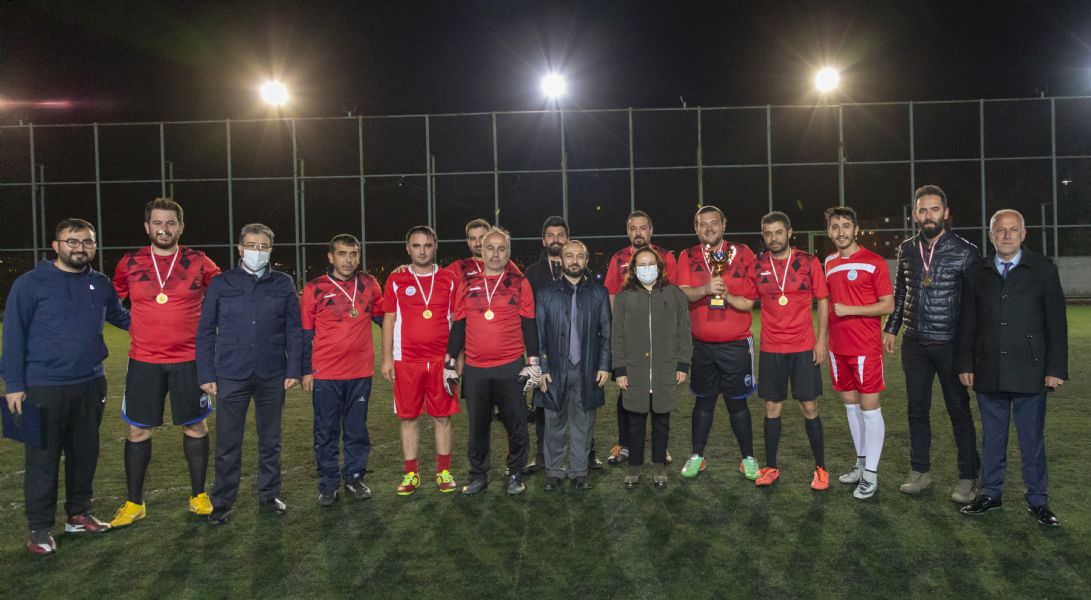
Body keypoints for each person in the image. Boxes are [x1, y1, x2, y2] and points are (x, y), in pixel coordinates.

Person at [2, 218, 130, 555]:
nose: (80, 248)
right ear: (56, 246)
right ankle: (39, 529)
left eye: (87, 242)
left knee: (84, 454)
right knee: (42, 459)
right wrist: (13, 384)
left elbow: (121, 317)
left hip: (90, 383)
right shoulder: (30, 283)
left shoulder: (100, 283)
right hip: (43, 387)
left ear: (94, 246)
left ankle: (78, 514)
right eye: (72, 241)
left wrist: (169, 325)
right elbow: (13, 333)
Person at [109, 198, 222, 529]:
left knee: (195, 426)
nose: (164, 228)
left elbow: (222, 297)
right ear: (147, 227)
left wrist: (208, 329)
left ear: (181, 227)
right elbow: (111, 301)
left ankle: (199, 496)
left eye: (171, 223)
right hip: (143, 361)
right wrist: (133, 324)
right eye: (157, 223)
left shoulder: (199, 261)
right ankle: (134, 503)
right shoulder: (130, 262)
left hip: (190, 360)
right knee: (137, 429)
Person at [957, 209, 1067, 527]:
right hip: (988, 368)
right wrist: (965, 362)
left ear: (1023, 233)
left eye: (1013, 229)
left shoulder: (1043, 269)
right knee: (992, 438)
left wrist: (1055, 368)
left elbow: (1056, 323)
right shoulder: (976, 271)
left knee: (1031, 439)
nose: (1006, 235)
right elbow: (967, 321)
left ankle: (1038, 500)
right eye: (1000, 230)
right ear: (991, 235)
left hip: (1030, 369)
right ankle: (991, 493)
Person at [196, 223, 302, 524]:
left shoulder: (283, 283)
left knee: (271, 441)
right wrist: (206, 373)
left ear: (270, 250)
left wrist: (294, 368)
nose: (258, 251)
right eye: (252, 245)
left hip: (272, 373)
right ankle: (222, 502)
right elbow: (205, 330)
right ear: (240, 248)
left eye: (264, 246)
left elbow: (294, 329)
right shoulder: (222, 283)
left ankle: (269, 494)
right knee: (228, 443)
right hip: (231, 373)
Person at [882, 185, 980, 503]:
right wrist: (892, 328)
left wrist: (969, 352)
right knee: (916, 410)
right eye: (922, 210)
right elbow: (901, 292)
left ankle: (968, 477)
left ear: (945, 213)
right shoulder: (907, 249)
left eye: (934, 209)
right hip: (915, 343)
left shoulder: (966, 252)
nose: (928, 215)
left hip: (950, 344)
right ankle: (920, 471)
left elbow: (974, 307)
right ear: (915, 214)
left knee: (959, 411)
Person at [444, 227, 542, 496]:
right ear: (482, 251)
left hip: (510, 366)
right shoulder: (467, 284)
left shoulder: (519, 283)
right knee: (477, 426)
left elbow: (529, 325)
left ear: (508, 252)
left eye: (501, 249)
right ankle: (478, 475)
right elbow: (459, 326)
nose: (495, 254)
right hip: (475, 369)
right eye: (490, 248)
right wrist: (449, 362)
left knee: (516, 424)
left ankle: (516, 472)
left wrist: (533, 361)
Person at [675, 206, 760, 481]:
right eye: (703, 224)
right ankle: (697, 456)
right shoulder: (687, 255)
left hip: (736, 345)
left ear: (724, 225)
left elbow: (750, 299)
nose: (709, 228)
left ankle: (748, 458)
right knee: (703, 403)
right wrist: (706, 289)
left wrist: (726, 293)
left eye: (714, 223)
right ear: (696, 228)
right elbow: (682, 294)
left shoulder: (743, 252)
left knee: (738, 405)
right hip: (701, 345)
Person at [301, 234, 383, 506]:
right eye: (342, 253)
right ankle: (328, 484)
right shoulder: (315, 288)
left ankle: (355, 477)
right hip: (325, 374)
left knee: (356, 430)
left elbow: (384, 318)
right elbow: (305, 333)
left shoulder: (369, 284)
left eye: (353, 254)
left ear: (358, 256)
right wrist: (306, 370)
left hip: (360, 372)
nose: (348, 260)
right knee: (326, 431)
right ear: (331, 257)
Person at [752, 211, 830, 490]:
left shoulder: (808, 262)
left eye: (778, 232)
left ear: (789, 232)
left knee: (809, 406)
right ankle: (771, 467)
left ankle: (821, 469)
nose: (773, 238)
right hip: (771, 347)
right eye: (768, 233)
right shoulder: (758, 265)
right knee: (772, 407)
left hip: (803, 346)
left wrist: (821, 341)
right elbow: (745, 299)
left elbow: (823, 300)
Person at [380, 226, 460, 496]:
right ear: (408, 248)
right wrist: (387, 358)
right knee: (408, 418)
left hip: (441, 361)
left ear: (435, 246)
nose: (422, 251)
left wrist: (456, 359)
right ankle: (411, 474)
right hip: (407, 361)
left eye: (427, 245)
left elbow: (457, 321)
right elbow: (389, 319)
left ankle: (444, 471)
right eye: (416, 245)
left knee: (443, 417)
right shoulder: (396, 279)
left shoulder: (449, 279)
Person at [823, 206, 894, 500]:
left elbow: (888, 304)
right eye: (835, 226)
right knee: (851, 407)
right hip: (837, 347)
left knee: (870, 408)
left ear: (856, 229)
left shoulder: (874, 262)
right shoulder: (828, 262)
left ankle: (871, 474)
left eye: (846, 226)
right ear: (829, 231)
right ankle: (861, 463)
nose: (840, 232)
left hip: (864, 346)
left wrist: (851, 309)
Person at [602, 210, 678, 467]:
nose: (638, 232)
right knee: (626, 392)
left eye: (643, 227)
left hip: (658, 339)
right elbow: (612, 297)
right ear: (628, 231)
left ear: (651, 230)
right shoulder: (618, 259)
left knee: (659, 392)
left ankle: (660, 447)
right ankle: (624, 445)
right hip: (631, 341)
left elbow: (673, 295)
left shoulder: (666, 257)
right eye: (633, 228)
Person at [611, 248, 691, 489]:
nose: (647, 269)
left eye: (651, 264)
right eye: (642, 265)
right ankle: (634, 467)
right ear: (634, 269)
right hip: (634, 369)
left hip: (665, 368)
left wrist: (683, 363)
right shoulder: (624, 298)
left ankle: (659, 466)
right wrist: (619, 369)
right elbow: (617, 337)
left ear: (659, 267)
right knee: (635, 421)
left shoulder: (675, 294)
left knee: (661, 420)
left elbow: (684, 331)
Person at [535, 240, 612, 491]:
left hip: (587, 369)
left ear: (586, 260)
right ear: (561, 260)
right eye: (569, 255)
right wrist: (543, 368)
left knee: (583, 423)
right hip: (555, 370)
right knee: (553, 423)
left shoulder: (599, 293)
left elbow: (606, 333)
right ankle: (554, 472)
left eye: (580, 256)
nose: (575, 260)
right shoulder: (546, 293)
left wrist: (604, 365)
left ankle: (579, 472)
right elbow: (539, 335)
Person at [523, 216, 570, 474]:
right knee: (542, 404)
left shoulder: (579, 267)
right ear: (543, 240)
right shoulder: (532, 273)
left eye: (560, 235)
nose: (555, 240)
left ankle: (587, 453)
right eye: (550, 235)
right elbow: (528, 316)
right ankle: (542, 455)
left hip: (574, 349)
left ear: (567, 238)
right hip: (544, 349)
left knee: (579, 403)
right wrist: (532, 353)